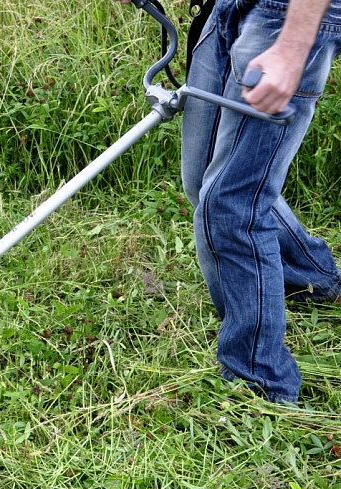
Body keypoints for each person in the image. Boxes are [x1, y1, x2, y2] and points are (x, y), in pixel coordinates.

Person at [125, 0, 341, 402]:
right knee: (203, 179)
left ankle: (259, 382)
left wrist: (294, 46)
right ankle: (314, 278)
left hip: (288, 15)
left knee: (231, 205)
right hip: (226, 7)